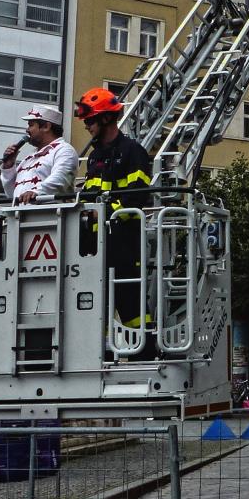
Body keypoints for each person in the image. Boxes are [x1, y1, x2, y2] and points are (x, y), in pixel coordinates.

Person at [75, 88, 153, 339]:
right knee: (97, 309)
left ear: (106, 118)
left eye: (89, 120)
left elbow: (136, 197)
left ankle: (144, 356)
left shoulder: (133, 152)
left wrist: (106, 214)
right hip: (95, 248)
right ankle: (102, 357)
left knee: (132, 308)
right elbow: (90, 195)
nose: (86, 126)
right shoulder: (95, 156)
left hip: (125, 245)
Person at [0, 107, 79, 204]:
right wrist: (8, 167)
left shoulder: (64, 151)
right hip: (19, 216)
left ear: (46, 126)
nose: (27, 130)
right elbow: (12, 194)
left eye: (31, 125)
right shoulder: (28, 159)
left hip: (50, 216)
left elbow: (60, 178)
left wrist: (35, 192)